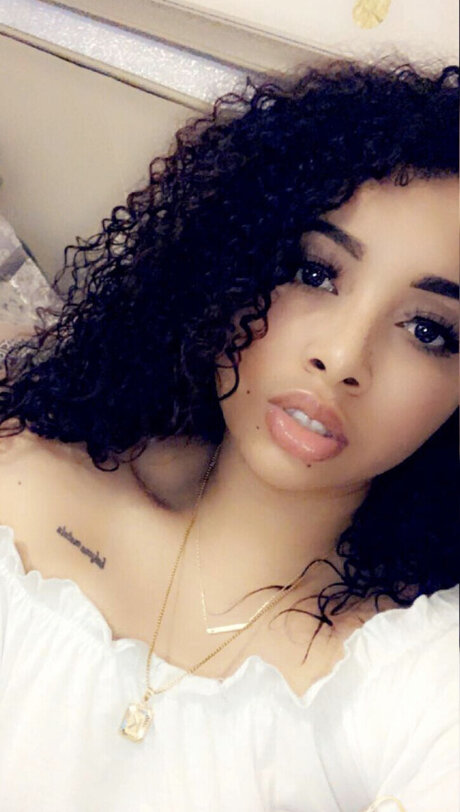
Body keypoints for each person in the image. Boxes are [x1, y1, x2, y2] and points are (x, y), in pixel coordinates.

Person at [0, 57, 458, 812]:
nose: (342, 358)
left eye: (429, 330)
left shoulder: (421, 674)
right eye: (315, 273)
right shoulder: (23, 487)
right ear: (231, 264)